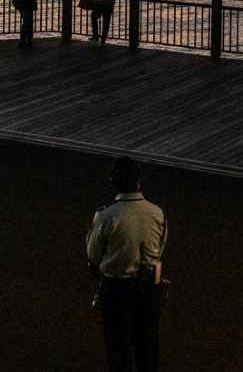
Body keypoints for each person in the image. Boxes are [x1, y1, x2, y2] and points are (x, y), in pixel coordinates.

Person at [86, 156, 166, 372]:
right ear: (138, 180)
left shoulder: (106, 217)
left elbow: (93, 256)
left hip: (116, 290)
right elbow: (159, 250)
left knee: (118, 348)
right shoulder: (157, 213)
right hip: (148, 288)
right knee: (147, 347)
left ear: (114, 181)